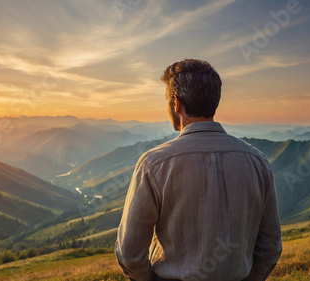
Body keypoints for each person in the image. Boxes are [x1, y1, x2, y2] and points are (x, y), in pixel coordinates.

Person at [115, 59, 282, 281]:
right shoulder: (258, 161)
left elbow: (129, 254)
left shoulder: (153, 164)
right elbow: (270, 247)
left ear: (176, 103)